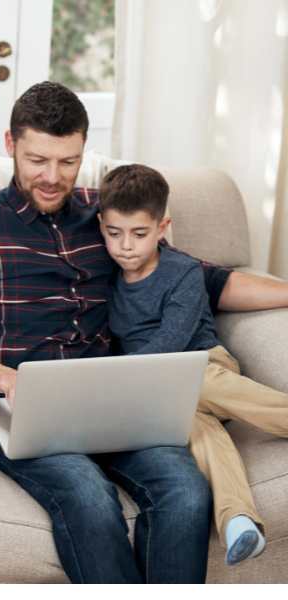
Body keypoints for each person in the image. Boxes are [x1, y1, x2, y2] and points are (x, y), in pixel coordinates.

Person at [0, 81, 288, 583]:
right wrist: (10, 381)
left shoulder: (108, 218)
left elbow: (210, 280)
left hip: (112, 398)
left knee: (185, 489)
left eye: (68, 162)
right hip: (15, 402)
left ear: (83, 153)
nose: (52, 177)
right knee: (88, 496)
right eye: (37, 160)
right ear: (10, 146)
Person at [98, 163, 288, 566]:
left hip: (201, 365)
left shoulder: (182, 272)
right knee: (196, 429)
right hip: (156, 391)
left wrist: (118, 378)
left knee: (195, 385)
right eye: (114, 234)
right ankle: (239, 520)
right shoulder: (108, 280)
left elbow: (172, 343)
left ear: (162, 226)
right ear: (101, 225)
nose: (125, 246)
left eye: (139, 234)